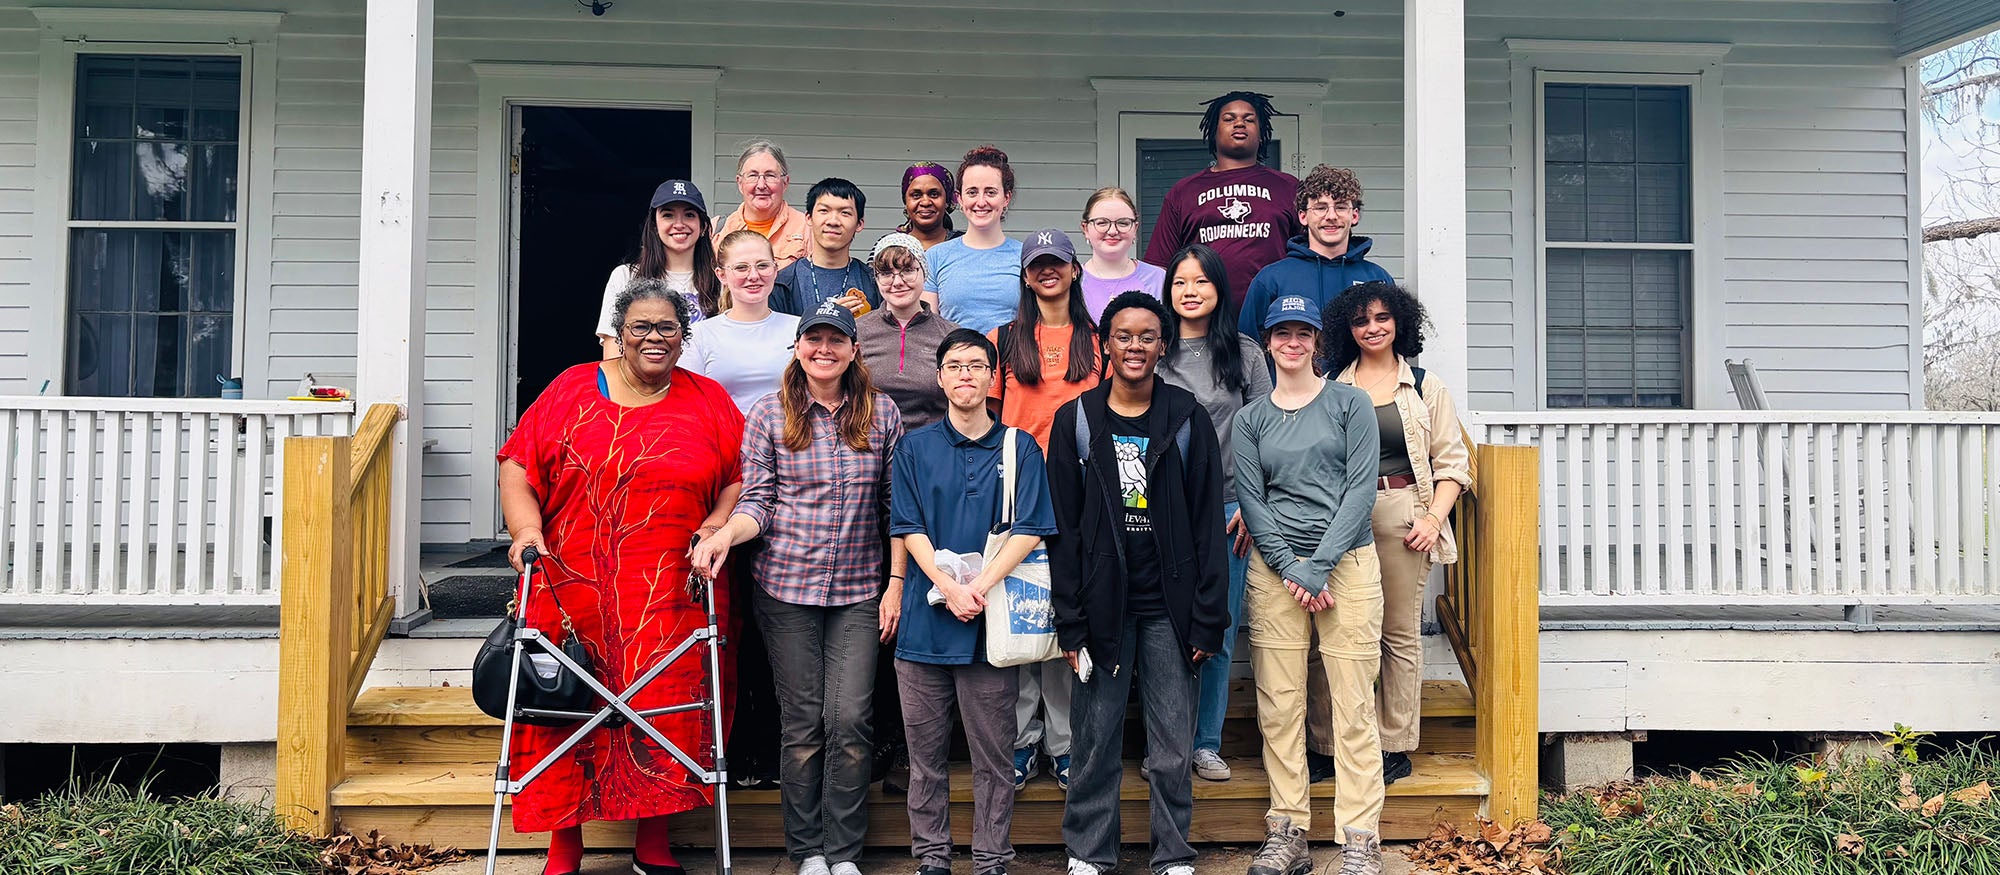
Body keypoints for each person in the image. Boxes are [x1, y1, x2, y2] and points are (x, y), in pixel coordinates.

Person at [499, 278, 746, 875]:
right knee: (564, 707)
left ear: (685, 338)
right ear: (619, 335)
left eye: (668, 327)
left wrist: (715, 524)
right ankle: (564, 847)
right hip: (570, 585)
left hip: (670, 588)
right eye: (642, 327)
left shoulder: (709, 399)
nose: (656, 338)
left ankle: (652, 843)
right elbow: (517, 464)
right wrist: (525, 532)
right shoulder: (569, 389)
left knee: (665, 707)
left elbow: (740, 475)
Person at [691, 301, 905, 875]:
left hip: (860, 588)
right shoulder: (768, 413)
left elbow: (895, 509)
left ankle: (844, 852)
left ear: (855, 349)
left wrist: (897, 582)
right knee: (804, 722)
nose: (824, 349)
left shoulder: (881, 413)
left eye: (837, 340)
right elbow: (758, 501)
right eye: (814, 339)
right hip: (785, 588)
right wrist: (723, 537)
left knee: (852, 719)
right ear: (799, 346)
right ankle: (807, 851)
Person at [1047, 291, 1229, 875]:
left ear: (1163, 344)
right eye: (1123, 335)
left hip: (1169, 609)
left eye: (1147, 336)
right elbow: (1064, 533)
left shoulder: (1185, 417)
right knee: (1095, 739)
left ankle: (1173, 853)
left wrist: (1208, 616)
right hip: (1102, 609)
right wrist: (1070, 619)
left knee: (1172, 744)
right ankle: (1089, 852)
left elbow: (1206, 525)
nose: (1135, 346)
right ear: (1105, 342)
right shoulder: (1076, 421)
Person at [889, 328, 1058, 875]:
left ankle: (991, 859)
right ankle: (932, 858)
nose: (965, 374)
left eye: (975, 365)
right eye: (954, 365)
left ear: (993, 377)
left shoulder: (1020, 446)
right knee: (926, 760)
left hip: (992, 623)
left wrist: (977, 587)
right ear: (939, 378)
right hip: (924, 625)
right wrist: (950, 583)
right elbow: (908, 526)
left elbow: (1030, 529)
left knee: (994, 758)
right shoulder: (914, 447)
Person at [1234, 294, 1386, 875]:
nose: (1291, 342)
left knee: (1351, 702)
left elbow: (1360, 490)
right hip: (1276, 571)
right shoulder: (1251, 419)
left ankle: (1359, 836)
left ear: (1317, 341)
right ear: (1267, 341)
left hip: (1345, 565)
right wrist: (1292, 566)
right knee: (1280, 702)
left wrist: (1318, 564)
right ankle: (1288, 828)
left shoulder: (1351, 404)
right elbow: (1253, 499)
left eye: (1302, 332)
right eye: (1281, 333)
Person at [1327, 281, 1473, 788]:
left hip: (1402, 510)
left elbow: (1453, 464)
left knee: (1397, 632)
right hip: (1339, 513)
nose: (1373, 328)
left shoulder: (1425, 386)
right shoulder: (1331, 384)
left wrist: (1433, 519)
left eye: (1382, 318)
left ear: (1400, 323)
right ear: (1349, 329)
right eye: (1362, 320)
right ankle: (1329, 744)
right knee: (1337, 629)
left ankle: (1392, 743)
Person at [985, 229, 1100, 791]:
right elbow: (985, 423)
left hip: (1080, 488)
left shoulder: (1098, 339)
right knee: (1018, 610)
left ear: (1074, 270)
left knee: (1061, 615)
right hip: (1017, 489)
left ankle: (1062, 742)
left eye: (1057, 264)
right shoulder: (1003, 339)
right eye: (1038, 266)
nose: (1048, 273)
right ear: (1026, 275)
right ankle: (1020, 740)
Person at [1154, 244, 1272, 783]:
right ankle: (1166, 740)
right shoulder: (1154, 350)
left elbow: (1268, 432)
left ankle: (1205, 742)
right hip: (1158, 509)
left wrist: (1252, 504)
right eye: (1181, 282)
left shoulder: (1244, 353)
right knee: (1161, 626)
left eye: (1201, 281)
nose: (1191, 291)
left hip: (1227, 509)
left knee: (1217, 628)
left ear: (1219, 289)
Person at [1142, 91, 1303, 310]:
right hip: (1203, 320)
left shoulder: (1289, 188)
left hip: (1274, 319)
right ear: (1213, 132)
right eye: (1229, 119)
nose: (1239, 124)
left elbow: (1308, 258)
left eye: (1249, 119)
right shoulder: (1183, 192)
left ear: (1262, 132)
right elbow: (1159, 267)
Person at [1236, 165, 1394, 339]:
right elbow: (1248, 347)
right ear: (1303, 216)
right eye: (1320, 208)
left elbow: (1393, 346)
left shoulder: (1377, 278)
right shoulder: (1272, 279)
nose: (1331, 216)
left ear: (1354, 215)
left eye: (1341, 207)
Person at [595, 179, 724, 360]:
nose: (679, 224)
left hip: (704, 386)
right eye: (668, 215)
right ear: (654, 226)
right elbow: (613, 353)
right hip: (643, 386)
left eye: (689, 215)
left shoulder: (723, 279)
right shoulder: (625, 276)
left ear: (703, 226)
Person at [682, 231, 802, 413]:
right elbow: (690, 405)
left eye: (763, 265)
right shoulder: (698, 335)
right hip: (723, 439)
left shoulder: (799, 329)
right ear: (721, 275)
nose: (753, 275)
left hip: (787, 438)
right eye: (741, 268)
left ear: (776, 270)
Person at [858, 232, 960, 431]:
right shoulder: (857, 331)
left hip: (931, 450)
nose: (897, 282)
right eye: (886, 273)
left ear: (924, 273)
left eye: (907, 270)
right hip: (869, 450)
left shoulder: (951, 336)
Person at [926, 146, 1024, 334]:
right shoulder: (935, 257)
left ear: (1006, 198)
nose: (981, 202)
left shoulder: (1025, 256)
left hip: (1011, 362)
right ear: (959, 198)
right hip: (954, 361)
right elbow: (929, 331)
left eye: (990, 192)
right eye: (972, 192)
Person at [774, 178, 882, 317]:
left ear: (859, 224)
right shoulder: (783, 283)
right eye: (824, 211)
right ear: (808, 218)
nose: (833, 221)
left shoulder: (875, 283)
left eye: (845, 213)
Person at [1078, 187, 1167, 322]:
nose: (1113, 231)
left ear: (1135, 228)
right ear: (1086, 229)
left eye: (1123, 223)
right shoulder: (1073, 281)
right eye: (1102, 223)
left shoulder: (1158, 279)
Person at [719, 140, 810, 268]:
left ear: (785, 183)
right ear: (740, 183)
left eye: (770, 175)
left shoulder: (807, 229)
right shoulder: (718, 230)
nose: (761, 185)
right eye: (753, 175)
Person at [896, 162, 962, 250]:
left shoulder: (966, 246)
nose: (925, 202)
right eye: (916, 195)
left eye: (934, 194)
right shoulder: (889, 246)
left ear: (947, 201)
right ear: (906, 201)